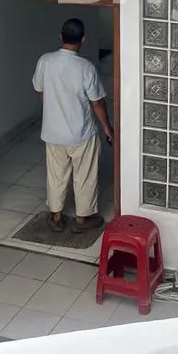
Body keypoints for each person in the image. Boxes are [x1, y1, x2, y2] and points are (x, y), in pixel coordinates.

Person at [33, 18, 112, 233]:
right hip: (81, 133)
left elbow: (39, 90)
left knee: (56, 175)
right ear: (83, 39)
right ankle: (82, 219)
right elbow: (97, 102)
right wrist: (107, 127)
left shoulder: (45, 61)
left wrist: (52, 110)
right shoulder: (86, 67)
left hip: (52, 132)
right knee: (84, 176)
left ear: (60, 36)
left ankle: (56, 217)